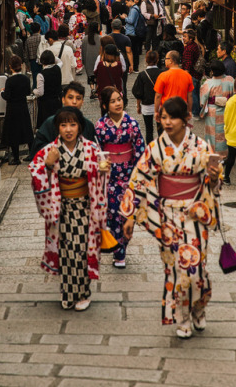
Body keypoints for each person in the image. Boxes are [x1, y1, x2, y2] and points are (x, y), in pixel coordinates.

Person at [122, 97, 222, 338]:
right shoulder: (155, 148)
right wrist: (130, 217)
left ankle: (199, 307)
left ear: (186, 120)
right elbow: (139, 180)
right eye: (163, 117)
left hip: (195, 213)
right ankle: (183, 317)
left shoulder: (200, 146)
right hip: (166, 215)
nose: (166, 122)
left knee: (196, 268)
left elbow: (213, 182)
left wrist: (215, 176)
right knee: (175, 269)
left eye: (172, 117)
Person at [29, 108, 109, 311]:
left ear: (80, 126)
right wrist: (47, 165)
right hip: (61, 208)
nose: (68, 129)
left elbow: (102, 172)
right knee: (65, 251)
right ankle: (67, 292)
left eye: (72, 124)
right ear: (57, 127)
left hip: (84, 208)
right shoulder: (50, 150)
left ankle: (82, 292)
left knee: (81, 250)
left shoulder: (91, 148)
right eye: (63, 125)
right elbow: (35, 172)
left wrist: (102, 170)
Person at [95, 87, 145, 267]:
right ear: (105, 105)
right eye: (113, 101)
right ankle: (119, 253)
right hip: (109, 176)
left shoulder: (132, 123)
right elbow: (96, 149)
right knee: (113, 214)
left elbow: (140, 149)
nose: (118, 103)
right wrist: (99, 163)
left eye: (119, 99)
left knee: (127, 214)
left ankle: (122, 246)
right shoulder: (100, 125)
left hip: (129, 174)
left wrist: (139, 173)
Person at [28, 81, 97, 160]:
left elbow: (94, 152)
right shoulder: (50, 123)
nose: (74, 102)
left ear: (82, 102)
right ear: (63, 99)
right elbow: (36, 151)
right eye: (70, 97)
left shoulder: (88, 125)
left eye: (78, 98)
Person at [1, 55, 33, 165]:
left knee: (13, 133)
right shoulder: (25, 79)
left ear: (11, 67)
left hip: (12, 108)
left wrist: (2, 92)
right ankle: (32, 154)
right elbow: (28, 92)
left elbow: (7, 96)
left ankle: (16, 158)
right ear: (21, 66)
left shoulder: (9, 81)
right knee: (27, 130)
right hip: (23, 106)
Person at [199, 59, 235, 156]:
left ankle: (213, 153)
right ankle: (226, 153)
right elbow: (235, 95)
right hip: (228, 109)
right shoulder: (230, 80)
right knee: (225, 132)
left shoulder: (208, 83)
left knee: (213, 133)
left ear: (212, 71)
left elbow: (202, 101)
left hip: (212, 111)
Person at [154, 50, 193, 126]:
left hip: (167, 110)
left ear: (171, 61)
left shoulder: (163, 76)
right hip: (181, 110)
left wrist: (156, 111)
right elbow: (190, 96)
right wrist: (189, 110)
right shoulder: (187, 75)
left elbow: (158, 96)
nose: (164, 60)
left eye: (166, 59)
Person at [132, 50, 162, 142]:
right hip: (161, 104)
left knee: (149, 130)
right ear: (157, 60)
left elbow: (138, 92)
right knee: (161, 129)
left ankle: (150, 149)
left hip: (147, 105)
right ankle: (162, 147)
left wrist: (138, 106)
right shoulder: (162, 73)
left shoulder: (142, 75)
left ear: (146, 60)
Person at [34, 49, 62, 128]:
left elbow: (40, 92)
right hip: (57, 101)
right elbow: (60, 61)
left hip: (46, 104)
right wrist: (53, 58)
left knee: (48, 126)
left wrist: (34, 91)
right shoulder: (57, 68)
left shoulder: (41, 75)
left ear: (42, 61)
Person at [182, 28, 205, 121]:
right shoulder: (194, 45)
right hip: (197, 73)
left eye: (185, 37)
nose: (183, 38)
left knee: (193, 94)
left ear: (190, 38)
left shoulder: (189, 49)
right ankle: (199, 111)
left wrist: (185, 75)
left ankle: (196, 113)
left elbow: (188, 64)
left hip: (192, 74)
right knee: (196, 93)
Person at [111, 18, 133, 106]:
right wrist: (131, 64)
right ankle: (124, 99)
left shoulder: (108, 37)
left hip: (111, 61)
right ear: (121, 27)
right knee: (123, 82)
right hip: (123, 62)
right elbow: (129, 52)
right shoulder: (126, 38)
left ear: (111, 26)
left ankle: (112, 99)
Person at [95, 44, 123, 112]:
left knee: (104, 110)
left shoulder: (100, 64)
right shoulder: (118, 64)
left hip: (103, 91)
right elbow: (121, 75)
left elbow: (96, 74)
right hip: (115, 91)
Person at [124, 0, 145, 72]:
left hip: (132, 32)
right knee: (134, 50)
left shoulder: (133, 10)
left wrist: (125, 18)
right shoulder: (135, 8)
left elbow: (131, 21)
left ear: (130, 1)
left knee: (132, 51)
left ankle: (133, 67)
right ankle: (135, 67)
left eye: (127, 3)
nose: (126, 5)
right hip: (133, 32)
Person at [81, 22, 101, 98]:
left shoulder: (85, 38)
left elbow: (83, 50)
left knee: (90, 75)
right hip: (97, 59)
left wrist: (83, 61)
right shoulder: (100, 38)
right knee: (98, 75)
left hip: (88, 59)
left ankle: (92, 89)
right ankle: (96, 90)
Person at [24, 22, 42, 89]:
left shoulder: (28, 40)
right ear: (39, 29)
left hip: (32, 61)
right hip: (42, 60)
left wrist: (27, 64)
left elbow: (26, 53)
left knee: (35, 77)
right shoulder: (42, 38)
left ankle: (35, 91)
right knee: (42, 77)